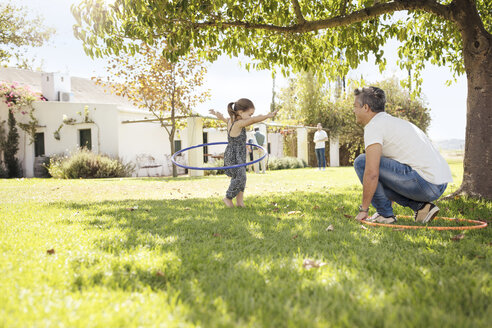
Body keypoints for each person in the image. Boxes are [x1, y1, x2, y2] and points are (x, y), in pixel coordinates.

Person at [352, 86, 452, 224]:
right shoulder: (392, 122)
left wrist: (364, 210)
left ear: (366, 108)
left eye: (355, 106)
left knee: (361, 162)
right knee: (372, 164)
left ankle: (386, 215)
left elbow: (371, 173)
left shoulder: (374, 126)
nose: (354, 111)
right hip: (438, 183)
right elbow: (389, 175)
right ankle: (421, 207)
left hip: (426, 182)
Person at [209, 99, 278, 208]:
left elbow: (221, 117)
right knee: (240, 176)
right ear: (240, 112)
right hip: (235, 154)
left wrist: (215, 113)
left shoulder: (229, 121)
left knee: (241, 176)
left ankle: (240, 202)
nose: (251, 117)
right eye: (250, 114)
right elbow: (254, 120)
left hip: (233, 152)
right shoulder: (239, 123)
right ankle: (228, 197)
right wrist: (267, 116)